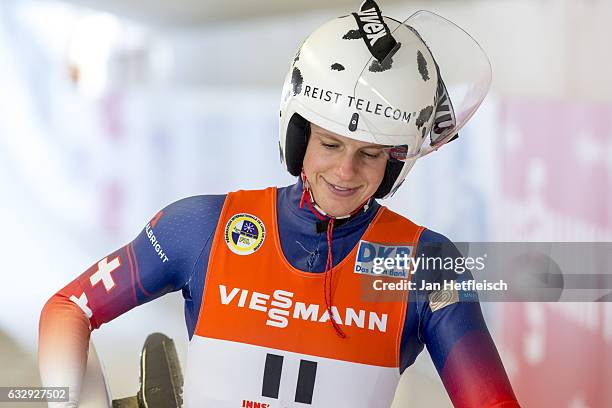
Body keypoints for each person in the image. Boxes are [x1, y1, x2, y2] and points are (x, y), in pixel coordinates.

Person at [39, 1, 520, 407]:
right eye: (330, 145)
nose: (346, 172)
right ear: (298, 134)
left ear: (395, 163)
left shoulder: (422, 265)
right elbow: (67, 308)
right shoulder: (205, 226)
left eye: (370, 154)